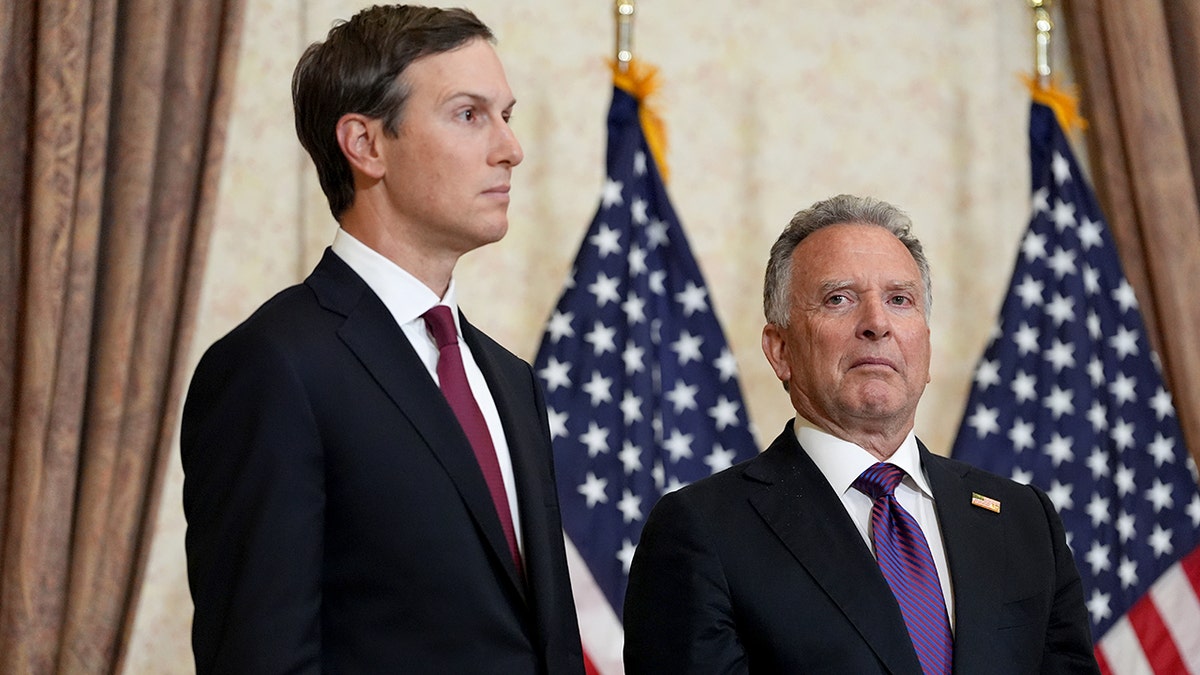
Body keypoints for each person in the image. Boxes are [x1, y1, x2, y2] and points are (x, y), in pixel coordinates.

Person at [181, 6, 584, 673]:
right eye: (469, 114)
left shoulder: (512, 380)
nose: (510, 148)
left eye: (506, 115)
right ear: (366, 144)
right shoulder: (272, 367)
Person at [623, 194, 1099, 674]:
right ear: (781, 350)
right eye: (839, 299)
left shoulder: (1023, 519)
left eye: (899, 300)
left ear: (926, 346)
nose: (876, 324)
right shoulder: (702, 529)